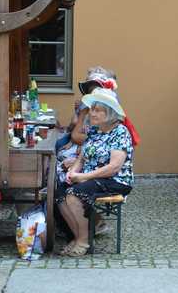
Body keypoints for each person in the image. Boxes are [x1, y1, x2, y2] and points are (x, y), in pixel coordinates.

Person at [56, 88, 134, 257]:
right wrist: (73, 172)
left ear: (110, 114)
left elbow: (114, 167)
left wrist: (83, 176)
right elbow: (82, 158)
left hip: (115, 180)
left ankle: (84, 241)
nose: (92, 113)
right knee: (60, 192)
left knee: (74, 194)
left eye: (97, 110)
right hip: (91, 177)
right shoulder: (94, 131)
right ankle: (76, 238)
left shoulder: (120, 132)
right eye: (92, 109)